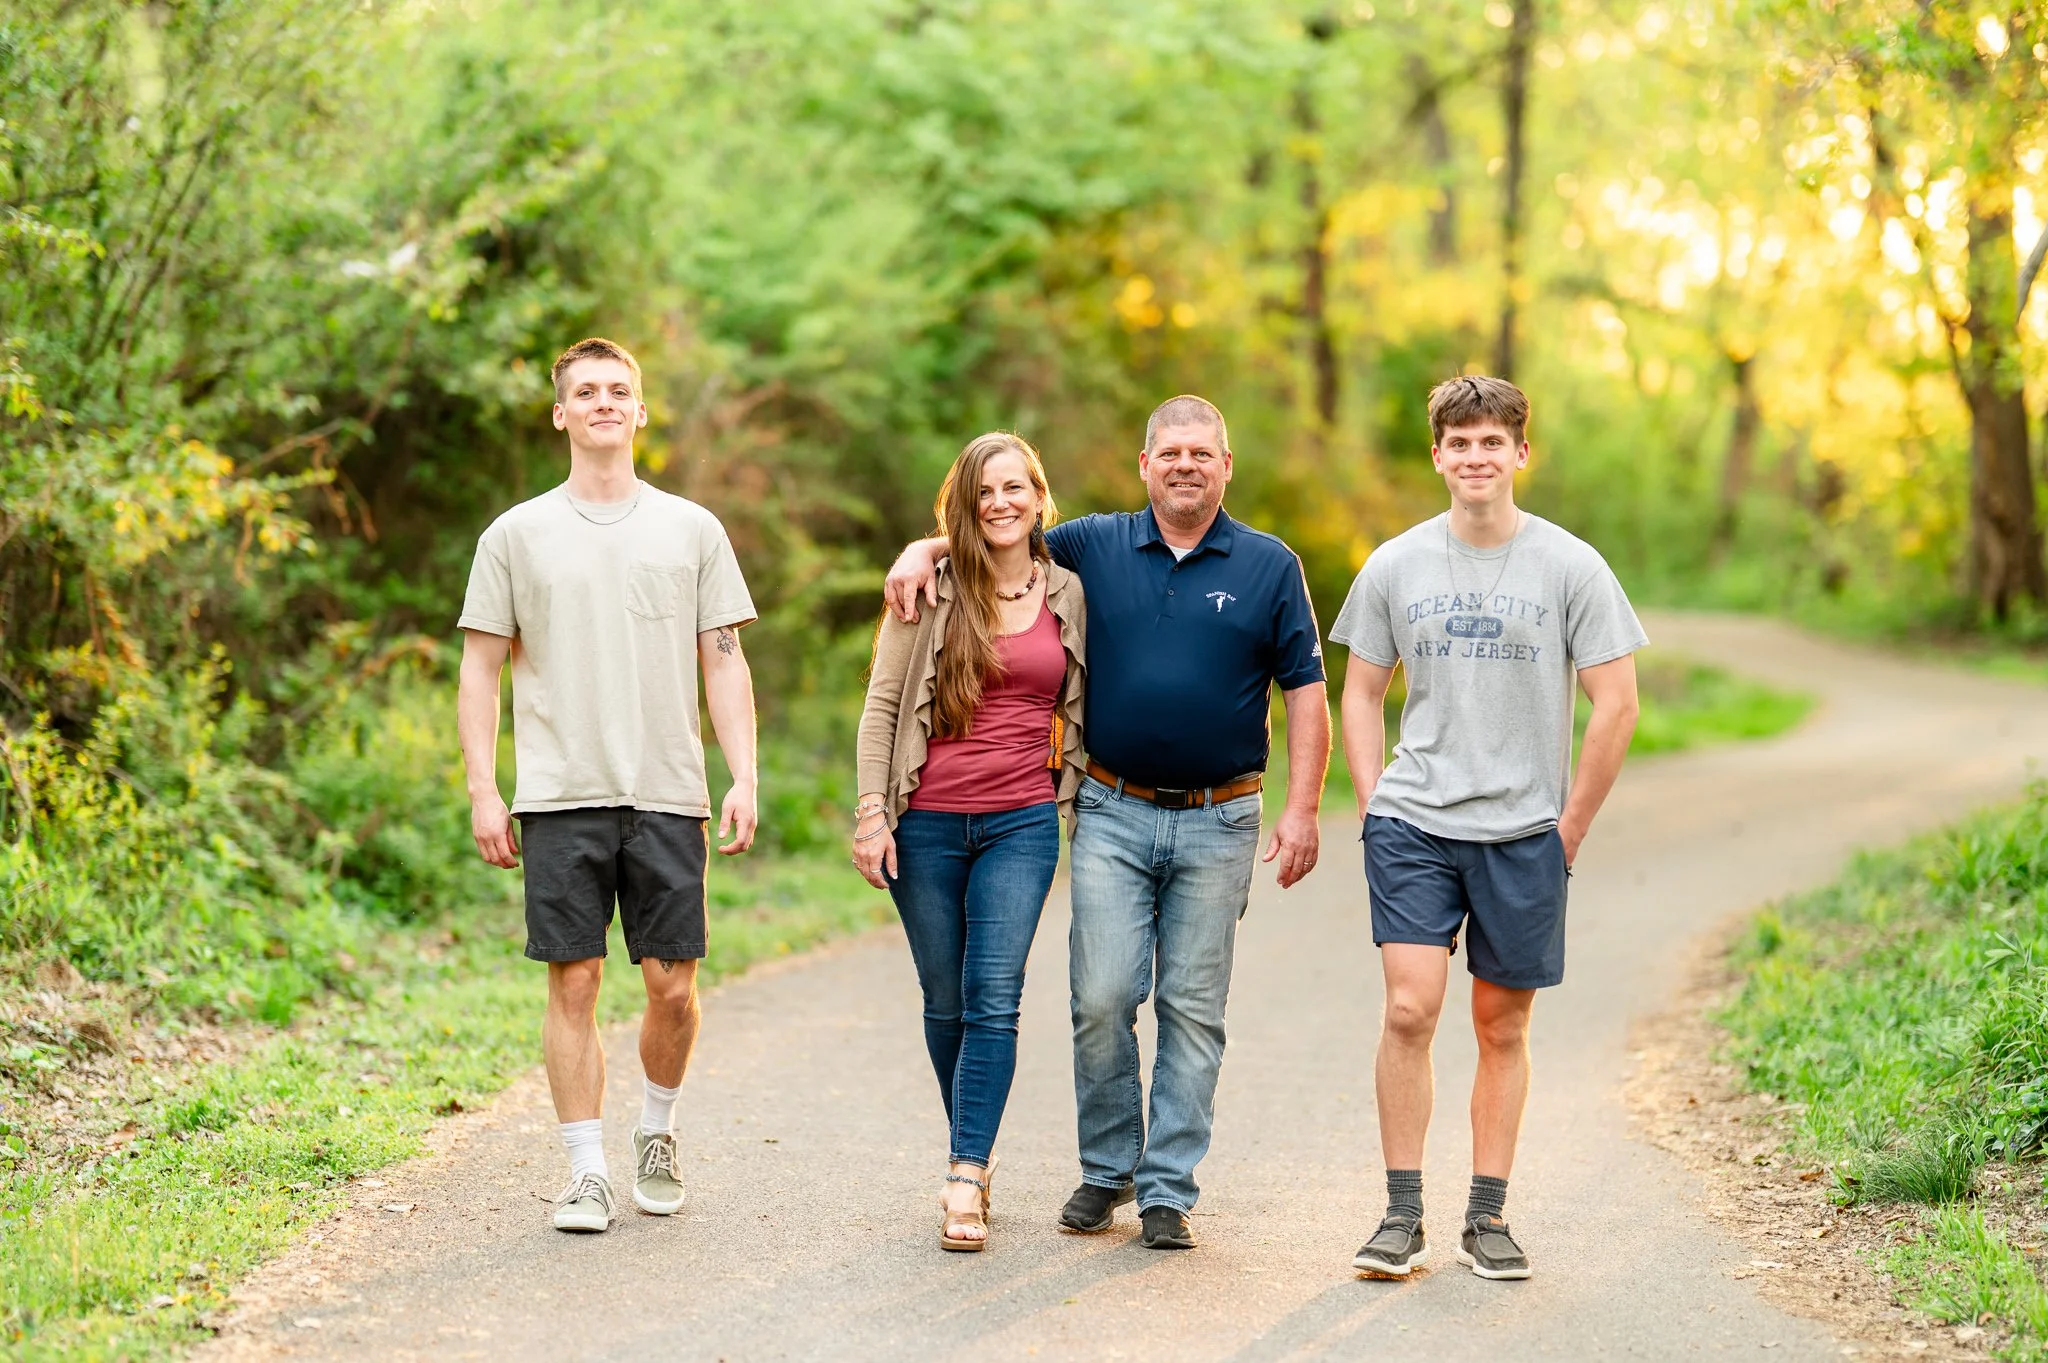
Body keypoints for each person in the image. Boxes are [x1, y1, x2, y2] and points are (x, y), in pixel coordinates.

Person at [885, 396, 1329, 1251]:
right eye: (1170, 452)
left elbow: (1306, 691)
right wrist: (926, 544)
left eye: (1203, 451)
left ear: (1226, 466)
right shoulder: (1094, 544)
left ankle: (1166, 1187)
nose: (1186, 464)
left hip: (1220, 815)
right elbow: (999, 534)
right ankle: (1106, 1167)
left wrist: (1305, 808)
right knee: (1099, 995)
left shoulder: (1273, 566)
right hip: (1111, 808)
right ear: (1145, 463)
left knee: (1193, 1008)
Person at [1331, 374, 1643, 1281]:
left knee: (1501, 1025)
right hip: (1415, 821)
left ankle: (1488, 1216)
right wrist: (1372, 796)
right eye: (1458, 442)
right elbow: (1360, 689)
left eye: (1491, 442)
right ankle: (1400, 1214)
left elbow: (1616, 703)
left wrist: (1567, 829)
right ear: (1437, 455)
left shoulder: (1571, 566)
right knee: (1408, 1006)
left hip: (1524, 833)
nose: (1475, 457)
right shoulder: (1396, 563)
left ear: (1519, 453)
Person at [456, 337, 760, 1234]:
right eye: (583, 391)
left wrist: (743, 772)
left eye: (616, 390)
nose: (600, 402)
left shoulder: (692, 529)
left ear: (639, 410)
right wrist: (484, 786)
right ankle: (584, 1170)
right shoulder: (514, 535)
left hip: (667, 789)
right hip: (557, 792)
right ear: (560, 413)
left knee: (672, 983)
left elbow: (724, 659)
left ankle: (655, 1131)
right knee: (575, 980)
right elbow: (481, 671)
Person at [855, 432, 1087, 1253]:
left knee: (995, 993)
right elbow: (883, 707)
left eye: (1016, 486)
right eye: (986, 489)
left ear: (1038, 495)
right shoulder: (926, 588)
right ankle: (974, 1149)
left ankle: (965, 1169)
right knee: (945, 1000)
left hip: (1022, 822)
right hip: (924, 820)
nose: (1001, 502)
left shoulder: (1069, 589)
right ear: (966, 501)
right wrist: (870, 813)